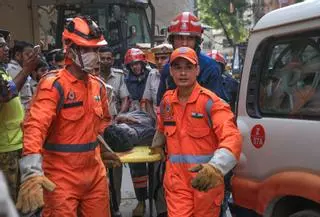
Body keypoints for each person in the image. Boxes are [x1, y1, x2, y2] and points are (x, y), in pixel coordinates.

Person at [16, 16, 121, 217]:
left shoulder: (97, 86)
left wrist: (104, 148)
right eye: (87, 49)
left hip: (94, 175)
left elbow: (96, 126)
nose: (94, 55)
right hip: (60, 178)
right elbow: (35, 127)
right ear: (70, 49)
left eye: (96, 49)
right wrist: (31, 173)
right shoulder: (53, 85)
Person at [150, 47, 242, 217]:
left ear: (197, 70)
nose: (183, 73)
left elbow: (232, 138)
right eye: (177, 67)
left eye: (188, 67)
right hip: (177, 184)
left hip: (206, 182)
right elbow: (162, 130)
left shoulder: (212, 103)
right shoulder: (167, 101)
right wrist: (155, 147)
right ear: (170, 71)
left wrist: (216, 168)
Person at [156, 12, 228, 106]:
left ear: (197, 41)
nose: (184, 43)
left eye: (190, 38)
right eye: (180, 38)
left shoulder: (211, 68)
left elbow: (218, 107)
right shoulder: (167, 69)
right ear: (172, 40)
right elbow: (161, 105)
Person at [0, 32, 39, 203]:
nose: (6, 48)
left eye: (5, 44)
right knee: (10, 199)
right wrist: (27, 69)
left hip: (15, 141)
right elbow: (6, 94)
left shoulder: (2, 70)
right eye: (1, 46)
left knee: (20, 197)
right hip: (4, 147)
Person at [124, 47, 150, 216]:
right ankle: (141, 202)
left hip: (153, 123)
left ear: (143, 63)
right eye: (133, 65)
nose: (136, 67)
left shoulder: (153, 76)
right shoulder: (125, 81)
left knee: (159, 168)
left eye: (138, 63)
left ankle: (160, 203)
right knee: (137, 166)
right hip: (134, 123)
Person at [141, 43, 173, 120]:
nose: (159, 62)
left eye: (163, 58)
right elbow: (148, 101)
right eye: (157, 58)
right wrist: (155, 120)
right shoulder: (152, 75)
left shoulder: (177, 76)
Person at [99, 46, 130, 116]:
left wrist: (119, 116)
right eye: (102, 59)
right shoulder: (92, 77)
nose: (105, 61)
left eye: (108, 59)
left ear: (112, 61)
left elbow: (125, 99)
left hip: (115, 117)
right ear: (98, 60)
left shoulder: (119, 75)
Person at [6, 40, 34, 109]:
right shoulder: (12, 70)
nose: (31, 58)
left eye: (32, 55)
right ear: (18, 55)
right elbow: (11, 92)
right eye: (27, 54)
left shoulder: (23, 69)